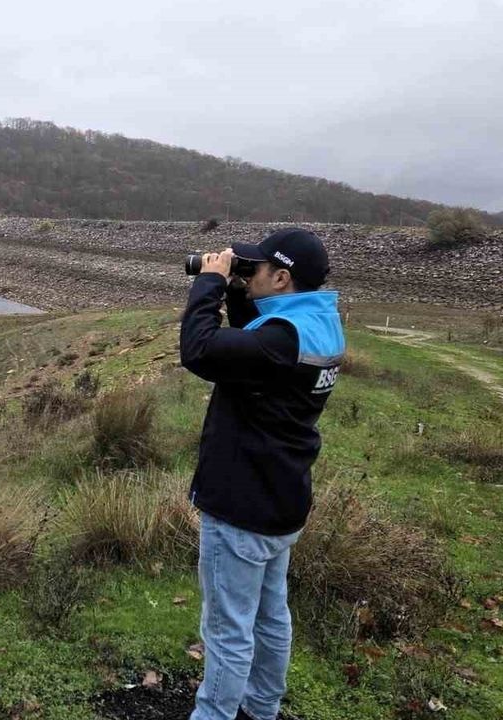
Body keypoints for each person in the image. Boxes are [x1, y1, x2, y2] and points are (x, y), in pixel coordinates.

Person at [178, 228, 345, 720]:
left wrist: (209, 283)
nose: (248, 274)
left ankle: (214, 715)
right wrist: (240, 287)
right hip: (282, 500)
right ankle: (261, 708)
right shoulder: (318, 323)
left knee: (228, 631)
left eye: (257, 269)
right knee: (271, 618)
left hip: (241, 507)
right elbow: (260, 341)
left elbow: (201, 351)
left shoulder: (279, 341)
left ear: (282, 276)